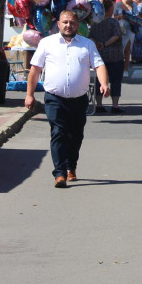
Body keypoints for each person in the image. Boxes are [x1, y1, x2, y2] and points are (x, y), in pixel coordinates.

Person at [26, 11, 109, 188]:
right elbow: (35, 70)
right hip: (55, 97)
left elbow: (99, 65)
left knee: (76, 135)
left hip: (79, 99)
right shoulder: (46, 43)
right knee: (58, 132)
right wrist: (29, 94)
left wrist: (104, 83)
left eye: (72, 22)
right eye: (65, 22)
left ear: (77, 25)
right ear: (58, 23)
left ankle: (72, 166)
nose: (68, 26)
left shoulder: (87, 45)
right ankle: (60, 173)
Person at [88, 0, 126, 113]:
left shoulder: (94, 23)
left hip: (100, 55)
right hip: (115, 55)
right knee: (116, 80)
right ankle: (115, 105)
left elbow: (89, 36)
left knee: (100, 80)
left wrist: (98, 44)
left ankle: (99, 104)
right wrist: (105, 44)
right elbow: (116, 36)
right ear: (109, 9)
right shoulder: (113, 22)